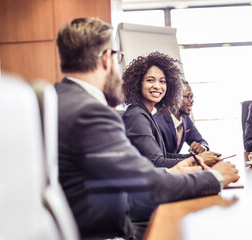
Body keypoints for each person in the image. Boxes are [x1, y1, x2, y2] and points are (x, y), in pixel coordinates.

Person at [55, 17, 240, 240]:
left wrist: (172, 171)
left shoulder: (58, 99)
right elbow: (151, 186)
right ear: (106, 59)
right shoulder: (90, 112)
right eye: (116, 56)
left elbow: (122, 176)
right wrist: (215, 177)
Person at [122, 52, 221, 168]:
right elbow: (156, 162)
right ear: (138, 84)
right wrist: (198, 160)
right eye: (150, 80)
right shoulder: (136, 116)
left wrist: (197, 157)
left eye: (162, 81)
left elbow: (163, 156)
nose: (157, 86)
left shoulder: (144, 113)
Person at [153, 81, 209, 154]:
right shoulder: (157, 122)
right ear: (174, 98)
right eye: (188, 97)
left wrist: (202, 147)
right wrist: (192, 160)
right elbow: (160, 158)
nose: (192, 101)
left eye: (192, 96)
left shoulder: (185, 119)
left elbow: (201, 141)